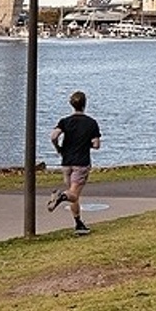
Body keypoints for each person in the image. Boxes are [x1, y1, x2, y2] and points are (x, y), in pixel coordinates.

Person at [48, 91, 102, 235]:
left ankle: (78, 224)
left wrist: (58, 147)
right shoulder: (91, 123)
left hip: (66, 162)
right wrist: (87, 144)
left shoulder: (65, 121)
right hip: (81, 162)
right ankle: (61, 196)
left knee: (72, 193)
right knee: (73, 194)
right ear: (85, 104)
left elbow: (53, 136)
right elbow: (96, 144)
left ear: (71, 104)